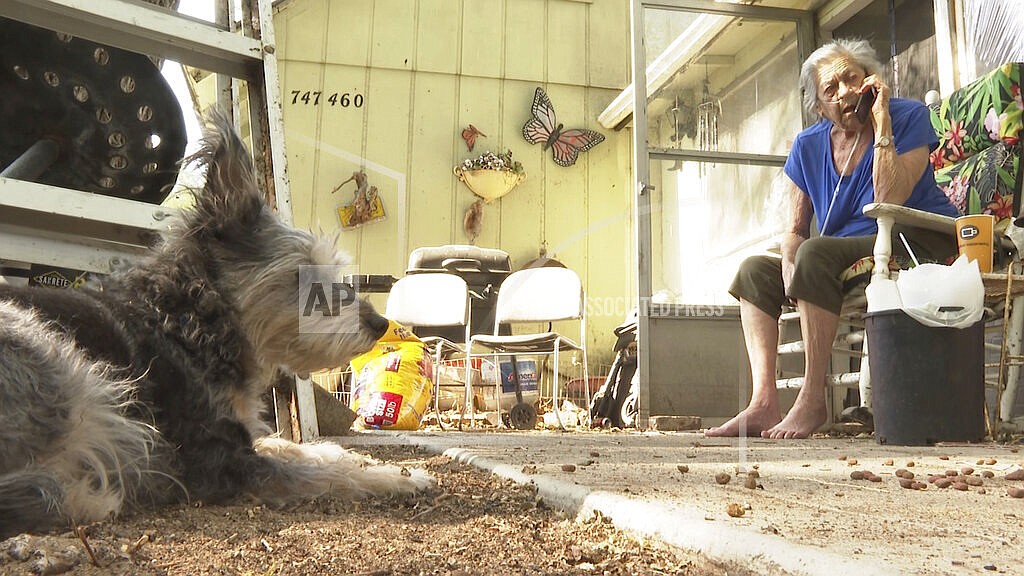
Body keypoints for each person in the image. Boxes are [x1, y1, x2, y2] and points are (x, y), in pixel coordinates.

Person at [705, 38, 958, 439]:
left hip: (915, 237)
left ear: (868, 81)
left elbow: (889, 198)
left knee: (815, 254)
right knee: (755, 271)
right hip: (844, 253)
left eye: (852, 79)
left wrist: (882, 121)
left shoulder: (906, 116)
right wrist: (789, 264)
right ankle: (763, 403)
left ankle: (812, 400)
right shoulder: (808, 145)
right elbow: (794, 229)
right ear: (819, 107)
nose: (845, 92)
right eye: (831, 89)